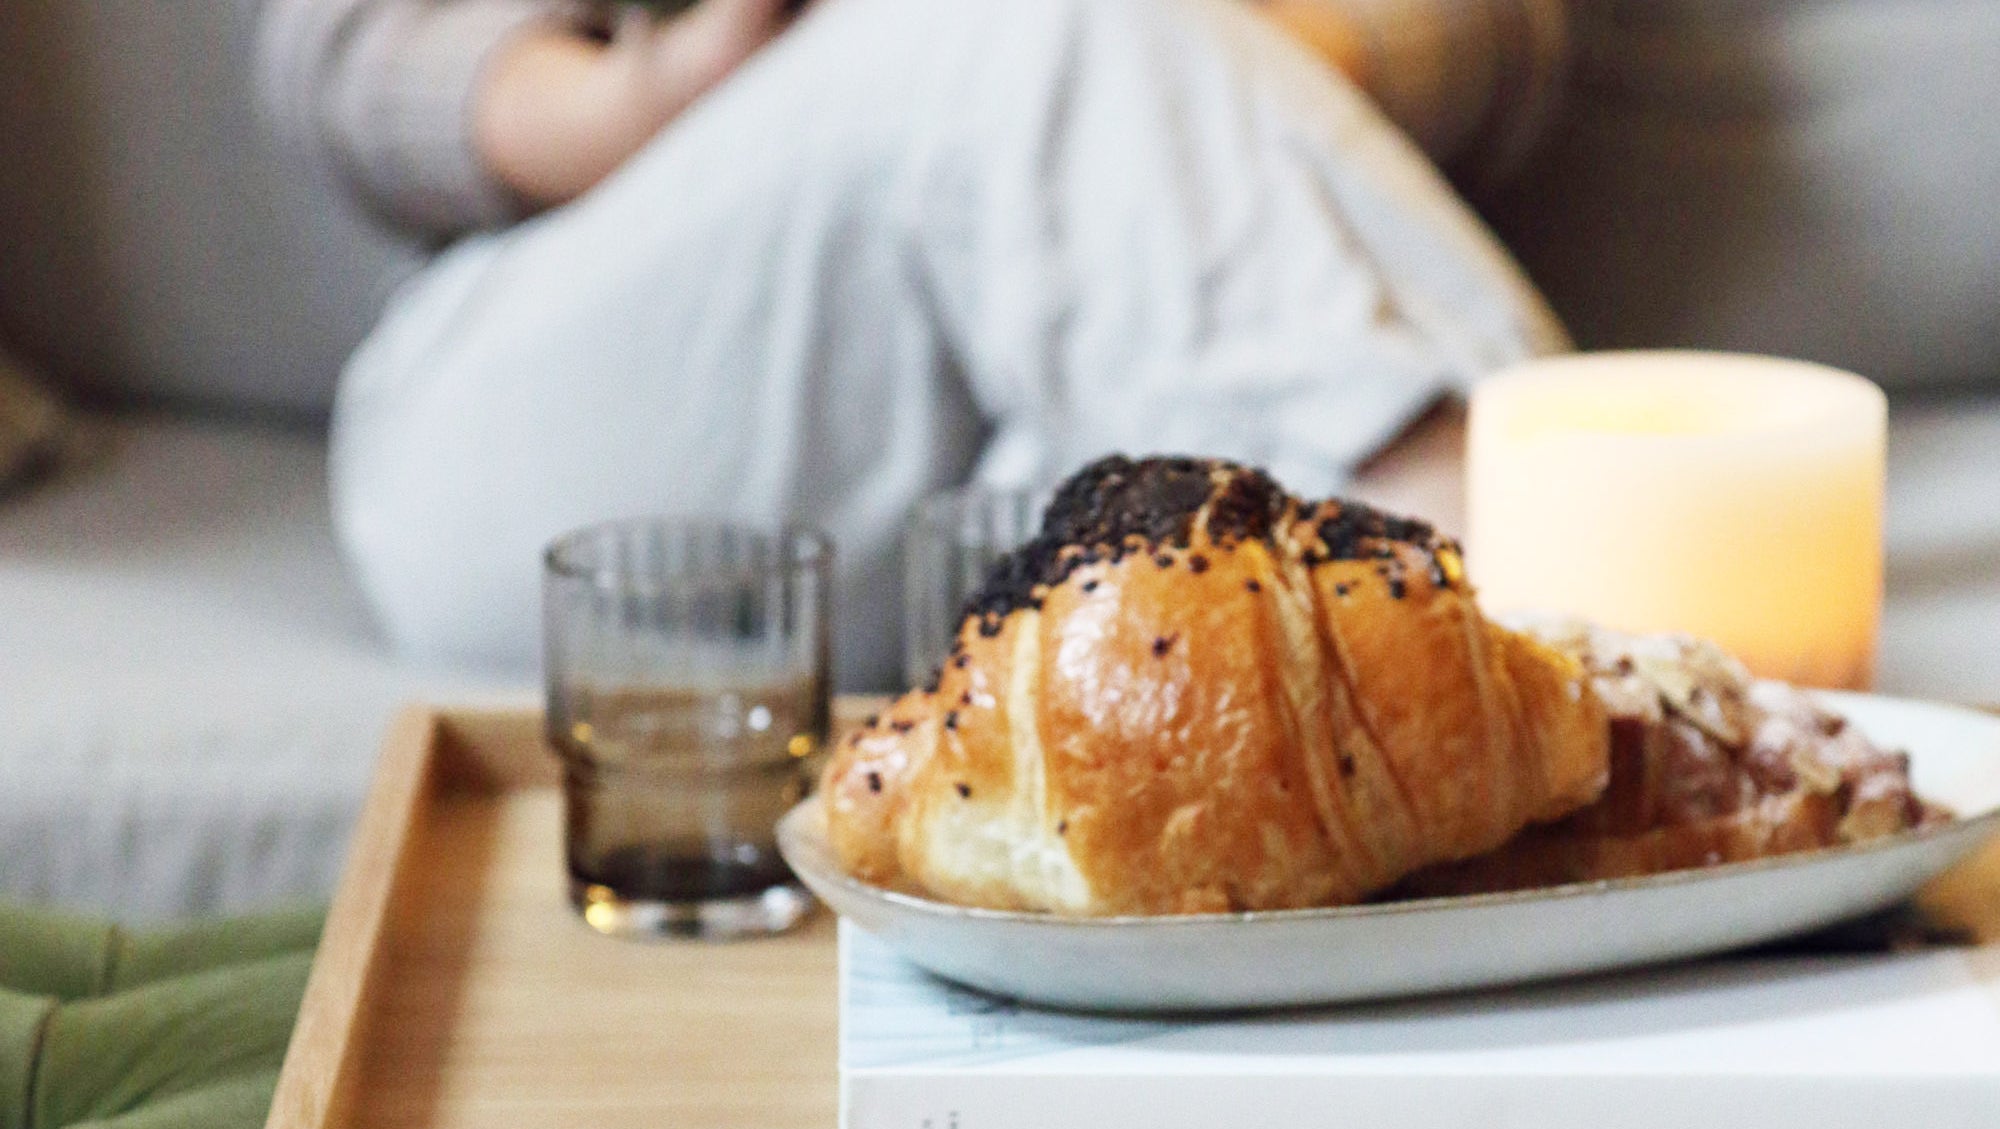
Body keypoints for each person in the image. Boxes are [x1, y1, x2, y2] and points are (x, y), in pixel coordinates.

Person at [258, 0, 1568, 687]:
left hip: (1055, 410)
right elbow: (345, 53)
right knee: (1035, 26)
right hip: (552, 410)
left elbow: (1507, 29)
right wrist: (642, 94)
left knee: (1075, 38)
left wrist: (1189, 59)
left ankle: (1509, 647)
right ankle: (1553, 642)